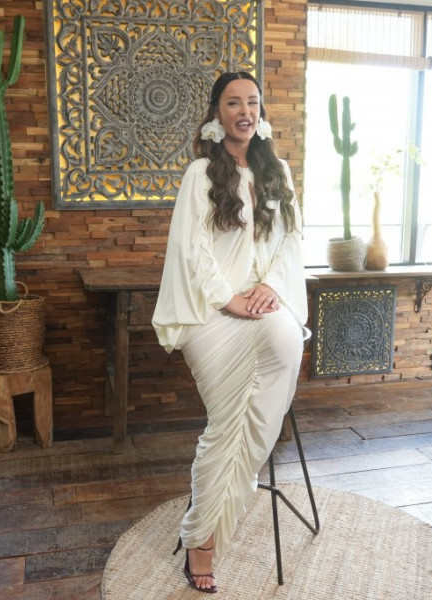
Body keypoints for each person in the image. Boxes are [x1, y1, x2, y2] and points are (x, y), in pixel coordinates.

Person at [152, 71, 309, 593]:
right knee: (225, 424)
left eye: (252, 102)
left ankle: (229, 498)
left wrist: (272, 289)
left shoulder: (278, 172)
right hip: (211, 310)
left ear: (261, 113)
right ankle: (201, 536)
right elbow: (191, 249)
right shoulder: (200, 173)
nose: (245, 111)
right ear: (217, 114)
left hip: (265, 300)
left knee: (287, 339)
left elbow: (291, 242)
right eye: (234, 103)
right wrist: (229, 298)